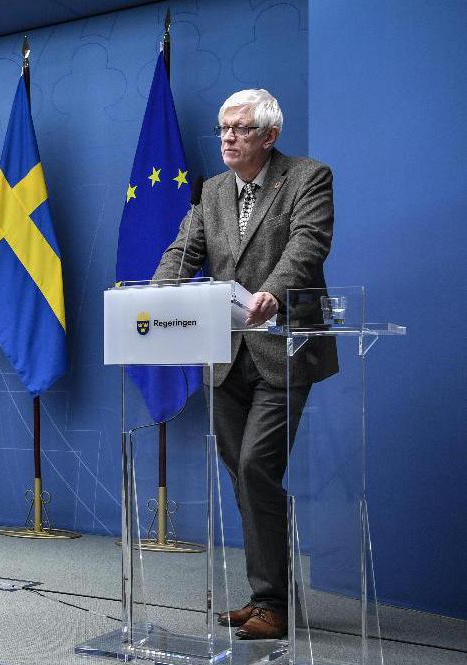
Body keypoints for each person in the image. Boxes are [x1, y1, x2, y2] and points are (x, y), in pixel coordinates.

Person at [153, 89, 337, 639]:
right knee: (242, 474)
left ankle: (273, 604)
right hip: (226, 353)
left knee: (257, 466)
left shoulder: (307, 177)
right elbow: (184, 250)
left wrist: (272, 293)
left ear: (270, 135)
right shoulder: (212, 190)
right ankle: (268, 599)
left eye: (240, 128)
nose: (228, 137)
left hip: (284, 348)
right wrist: (154, 295)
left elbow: (308, 245)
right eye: (223, 128)